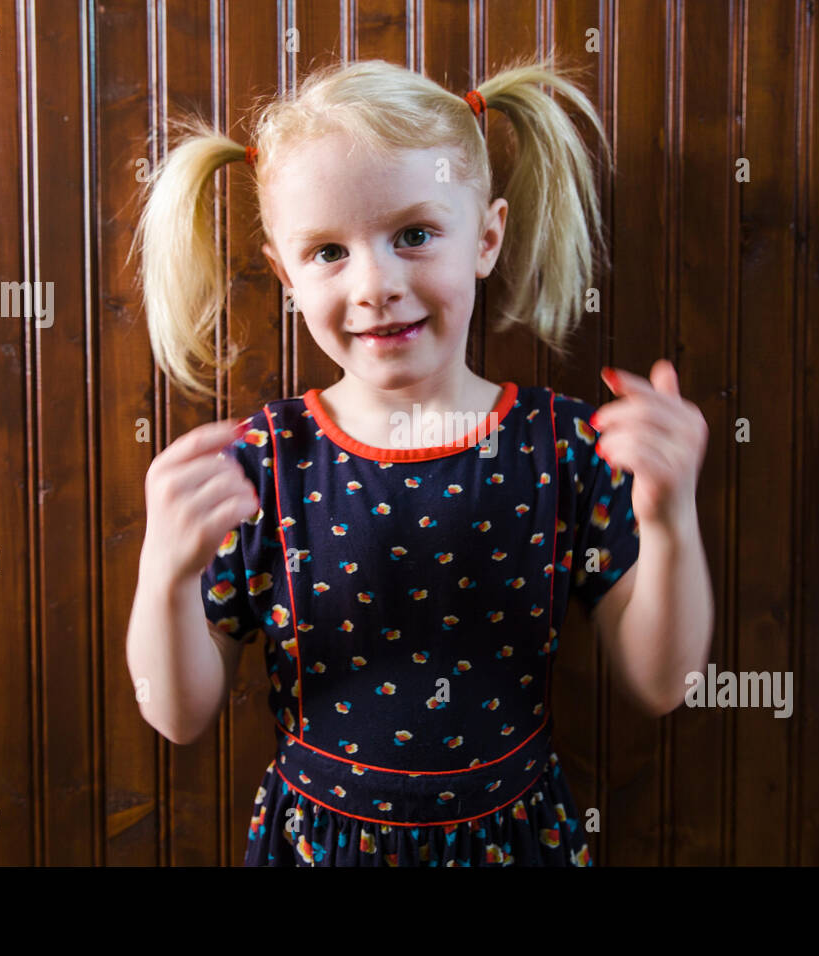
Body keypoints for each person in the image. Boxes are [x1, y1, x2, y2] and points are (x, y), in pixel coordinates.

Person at [125, 55, 712, 866]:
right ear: (284, 274)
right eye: (328, 252)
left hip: (517, 843)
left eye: (414, 235)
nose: (376, 283)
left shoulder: (568, 446)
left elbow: (661, 685)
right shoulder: (263, 464)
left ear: (487, 237)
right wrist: (165, 570)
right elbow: (177, 715)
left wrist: (669, 516)